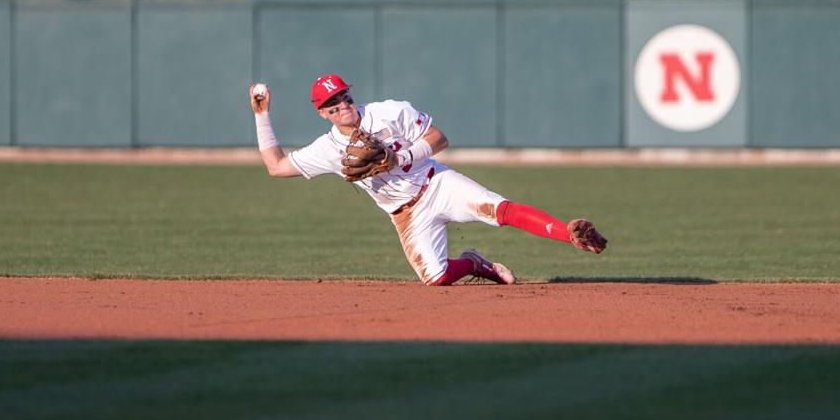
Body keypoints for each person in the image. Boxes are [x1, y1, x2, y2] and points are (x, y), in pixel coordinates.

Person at [249, 74, 607, 286]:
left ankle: (569, 234)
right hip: (406, 214)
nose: (341, 104)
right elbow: (276, 166)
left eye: (343, 96)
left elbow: (439, 139)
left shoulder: (388, 111)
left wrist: (400, 157)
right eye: (332, 103)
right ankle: (477, 264)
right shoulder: (328, 149)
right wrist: (262, 116)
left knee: (498, 209)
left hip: (436, 182)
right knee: (435, 278)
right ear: (322, 113)